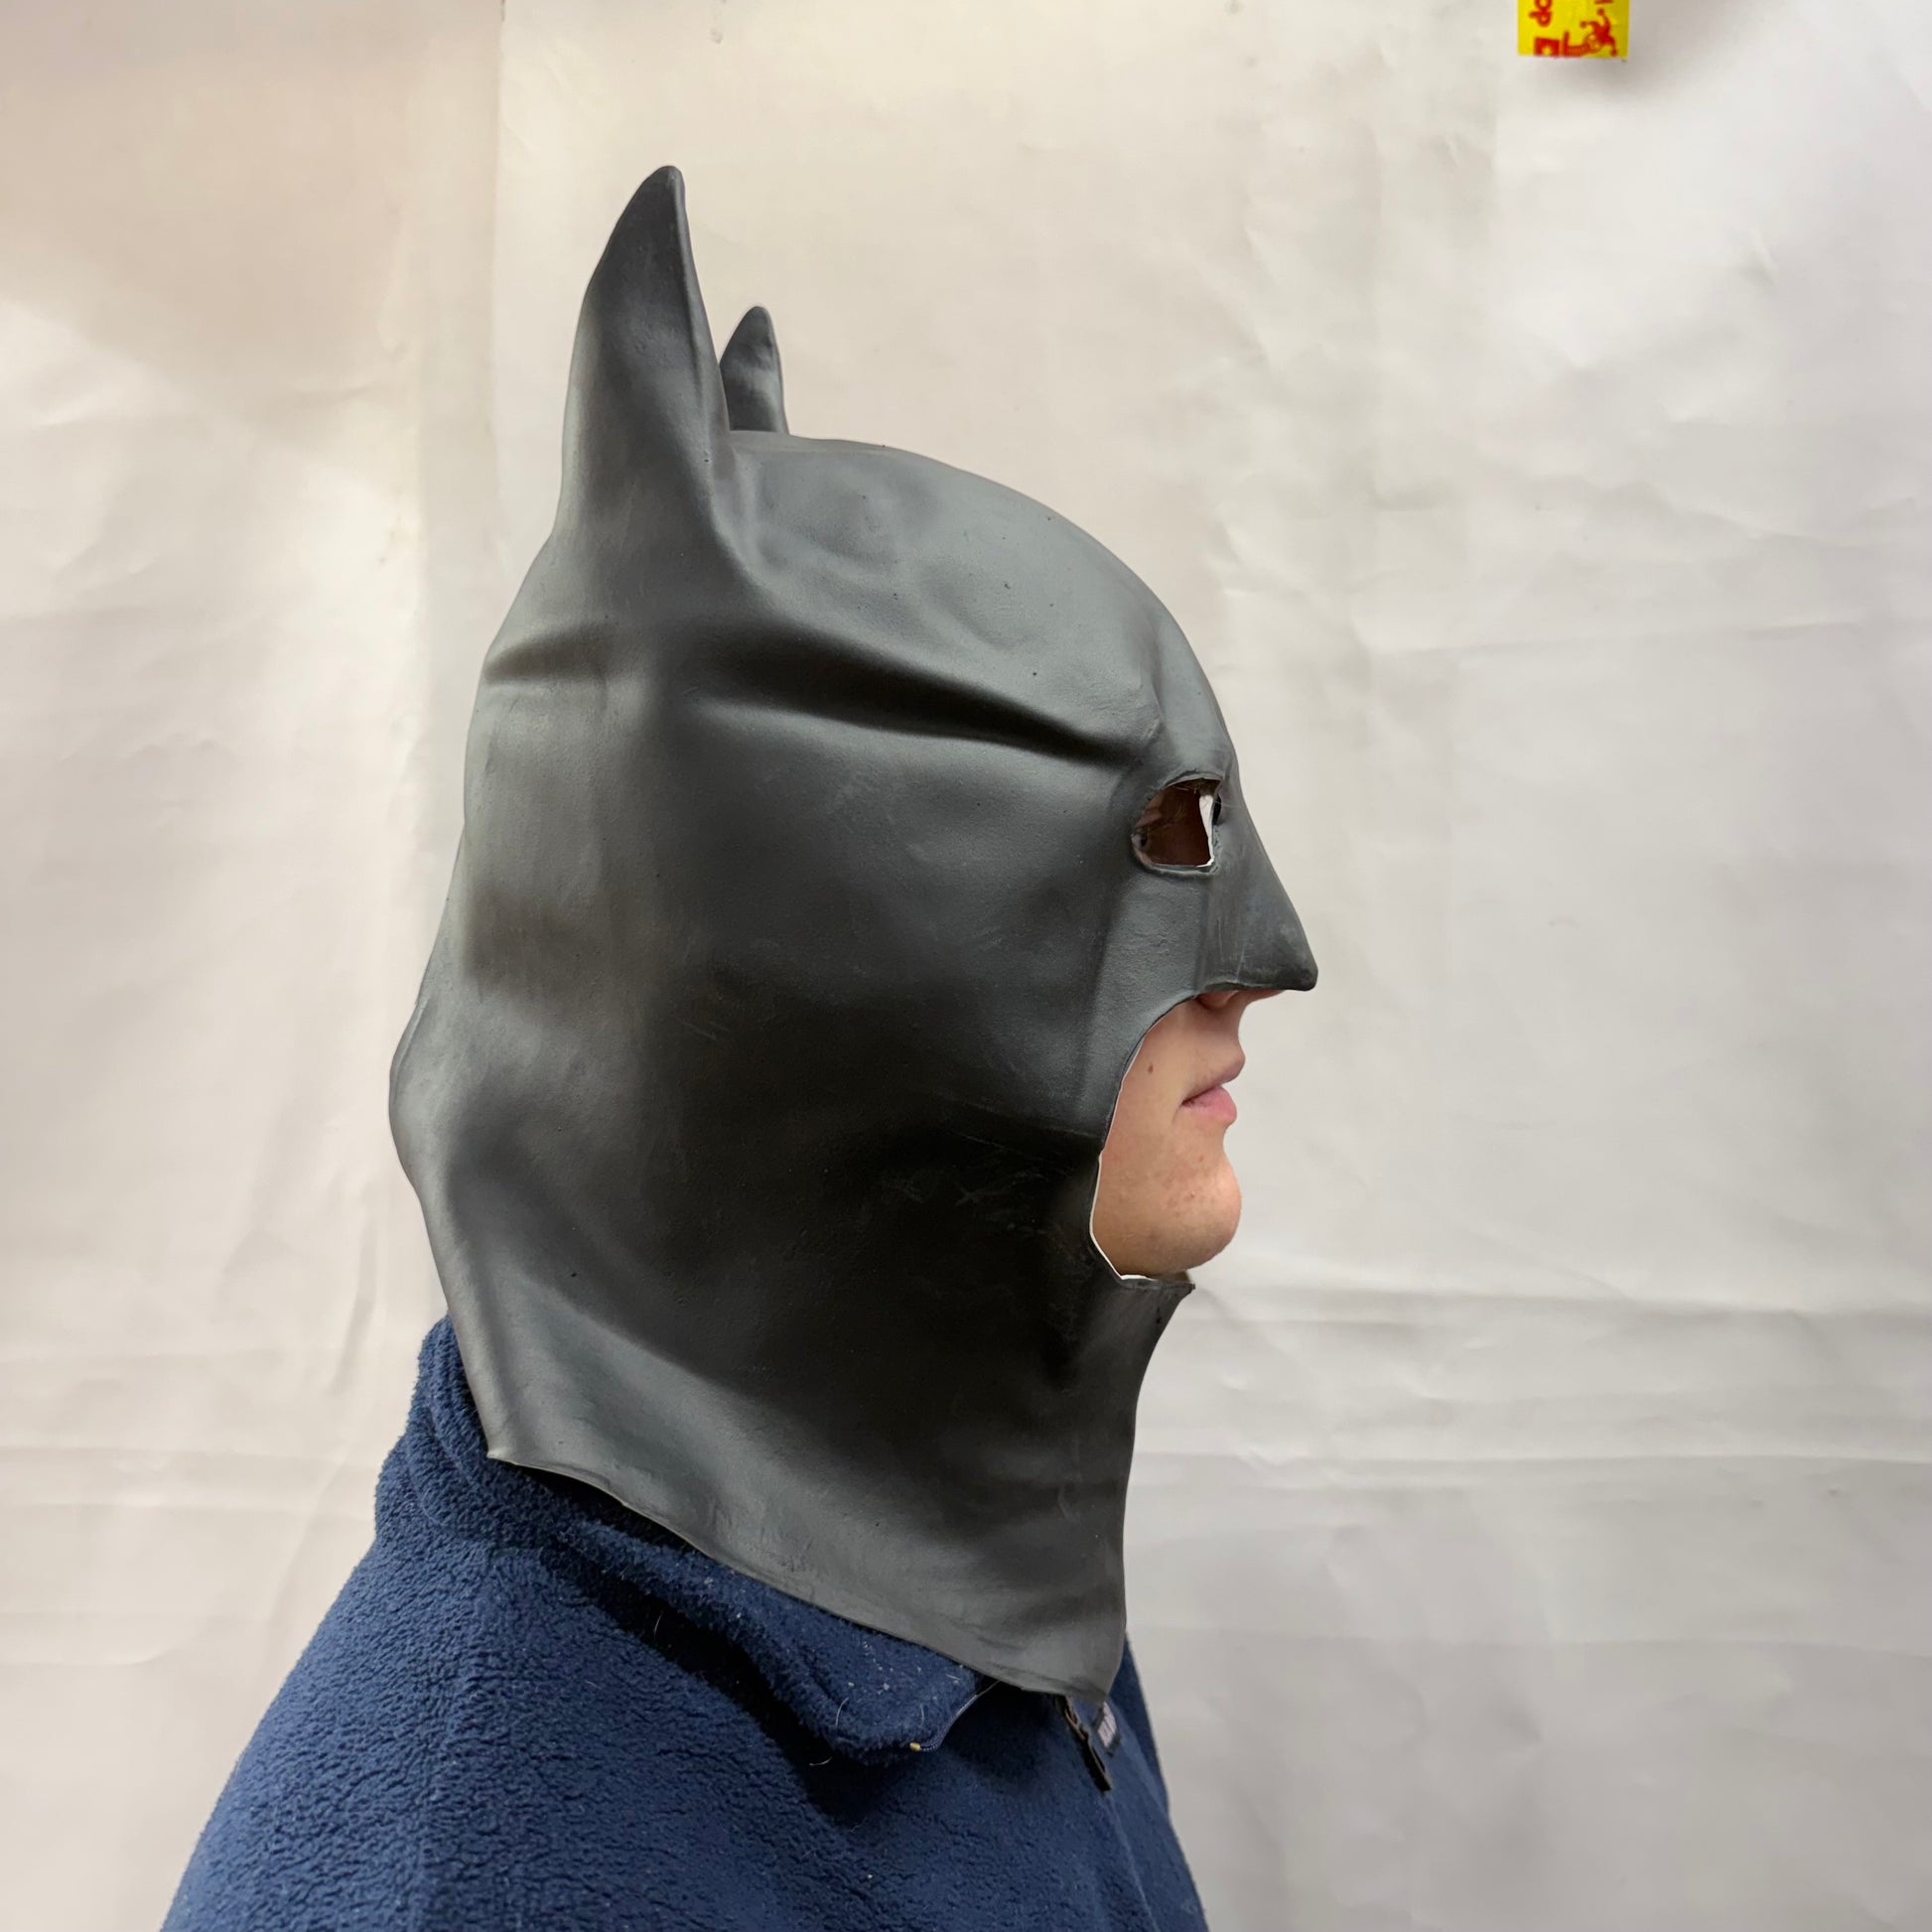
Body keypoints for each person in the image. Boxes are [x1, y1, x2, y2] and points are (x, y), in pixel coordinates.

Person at [164, 166, 1315, 1932]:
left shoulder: (949, 1593)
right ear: (815, 956)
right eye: (1160, 847)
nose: (1266, 962)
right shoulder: (483, 1877)